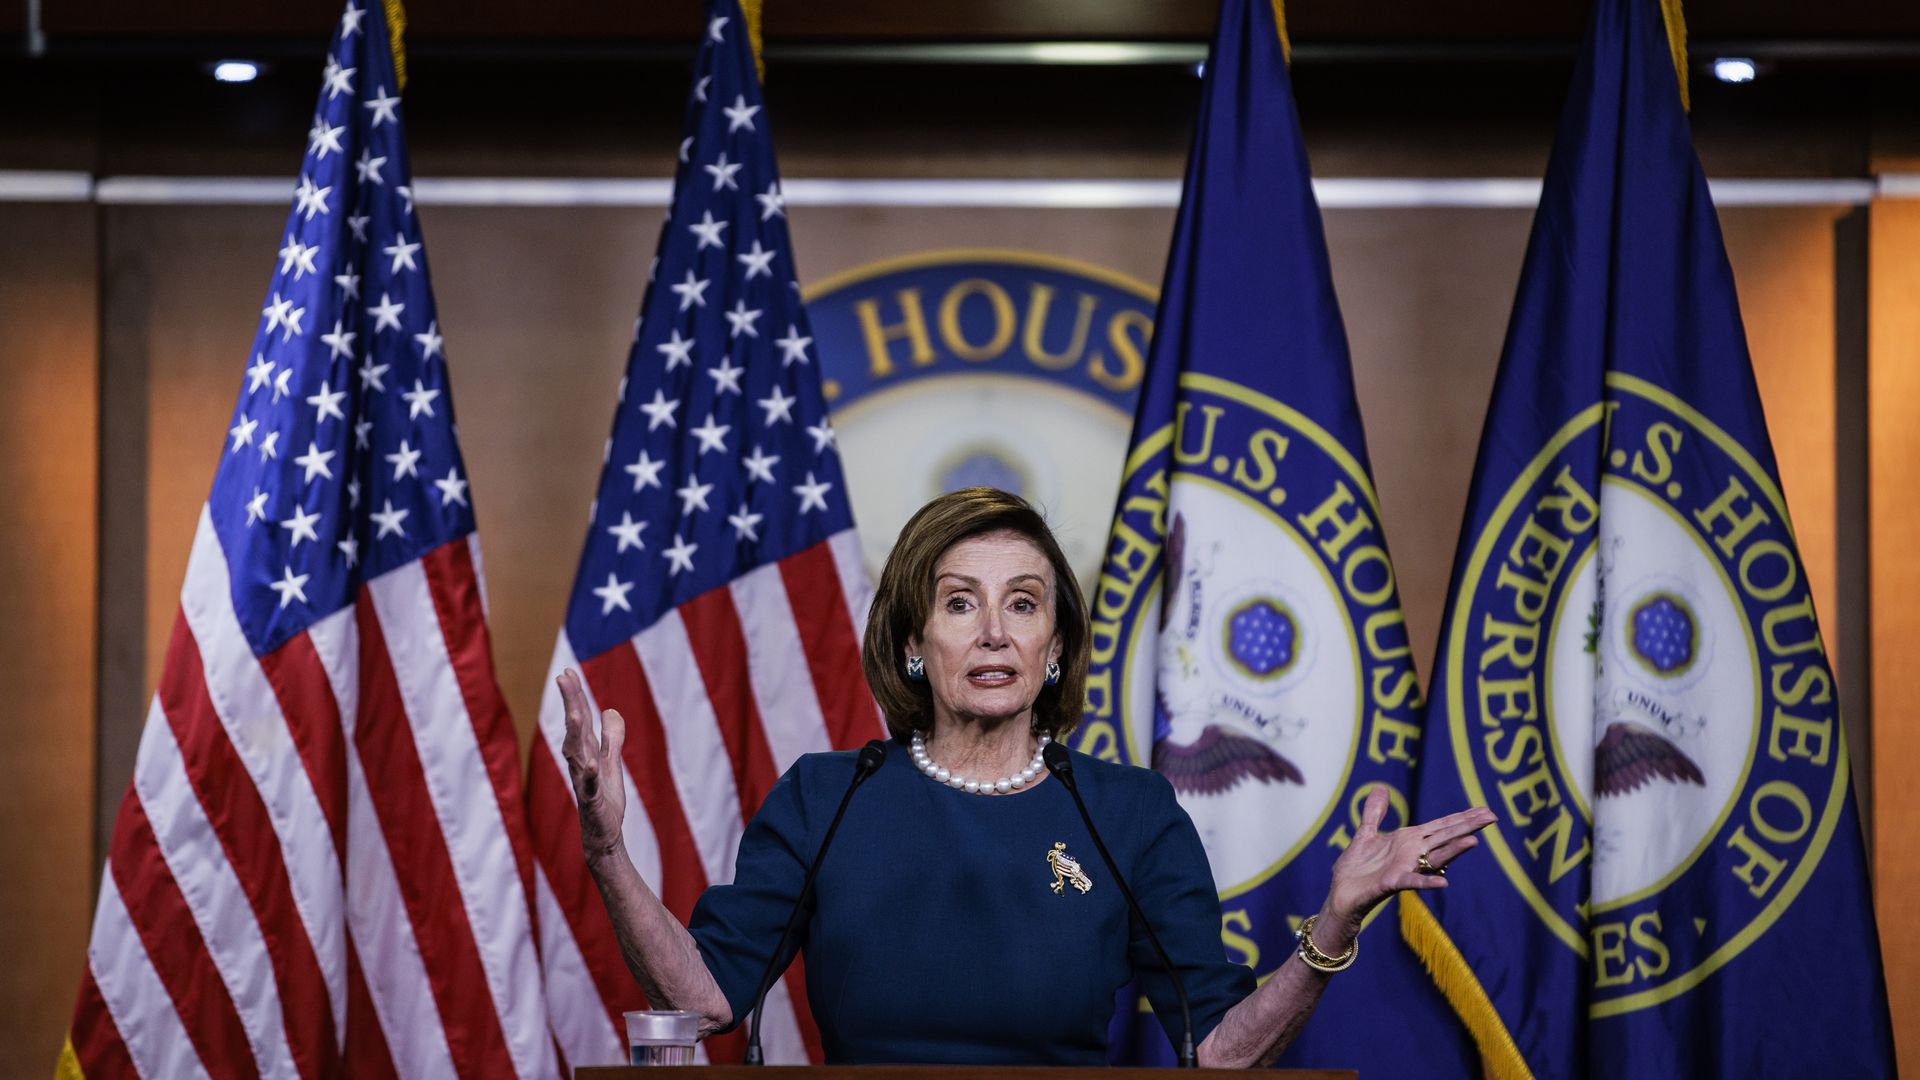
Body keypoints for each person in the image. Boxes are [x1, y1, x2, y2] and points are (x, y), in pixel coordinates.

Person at [560, 486, 1496, 1066]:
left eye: (1024, 604)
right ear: (915, 644)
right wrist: (608, 853)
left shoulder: (1131, 814)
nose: (995, 632)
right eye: (960, 604)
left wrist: (1331, 929)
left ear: (1054, 649)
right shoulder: (827, 796)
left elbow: (1219, 1052)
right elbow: (706, 1000)